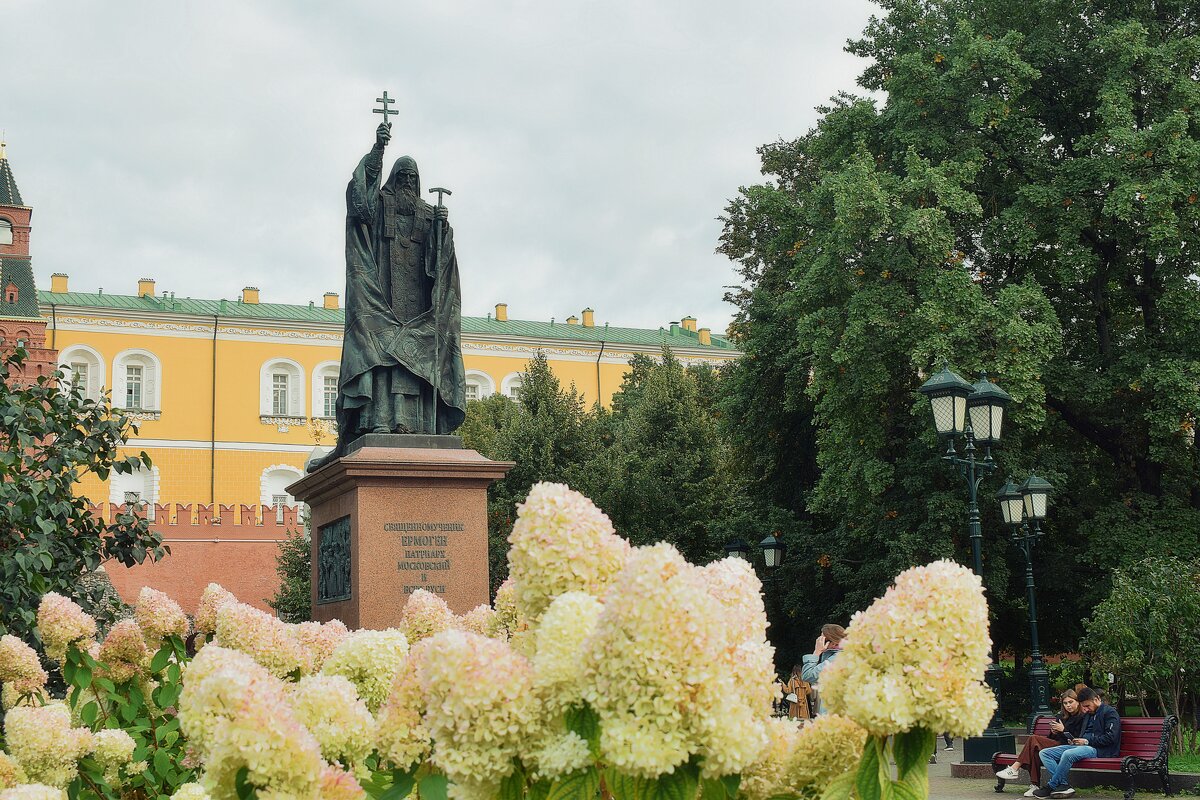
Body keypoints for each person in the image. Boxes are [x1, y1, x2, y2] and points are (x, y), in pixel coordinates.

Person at [310, 122, 467, 470]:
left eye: (413, 178)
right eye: (403, 177)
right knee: (380, 354)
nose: (408, 184)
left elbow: (439, 265)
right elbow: (359, 204)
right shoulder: (380, 204)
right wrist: (378, 151)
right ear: (393, 179)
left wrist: (443, 230)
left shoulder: (428, 214)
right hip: (380, 299)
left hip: (418, 306)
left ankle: (420, 425)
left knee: (415, 356)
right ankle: (377, 421)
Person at [1033, 687, 1121, 798]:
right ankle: (1063, 784)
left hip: (1100, 749)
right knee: (1045, 753)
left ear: (1097, 699)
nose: (1085, 709)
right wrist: (1075, 740)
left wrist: (1087, 741)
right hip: (1083, 746)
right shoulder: (1089, 714)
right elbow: (1083, 733)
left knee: (1068, 754)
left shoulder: (1110, 713)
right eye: (1083, 706)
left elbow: (1111, 737)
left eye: (1087, 706)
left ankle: (1051, 785)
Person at [995, 689, 1086, 796]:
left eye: (1071, 702)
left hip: (1069, 748)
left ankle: (1015, 768)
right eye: (1065, 703)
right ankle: (1035, 785)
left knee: (1033, 739)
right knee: (1034, 751)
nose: (1068, 706)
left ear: (1077, 702)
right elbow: (1052, 737)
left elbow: (1078, 739)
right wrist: (1054, 731)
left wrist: (1063, 730)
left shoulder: (1082, 717)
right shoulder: (1061, 716)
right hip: (1056, 744)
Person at [801, 623, 845, 715]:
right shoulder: (843, 655)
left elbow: (807, 675)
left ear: (833, 642)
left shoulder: (837, 659)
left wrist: (816, 652)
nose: (819, 642)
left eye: (822, 639)